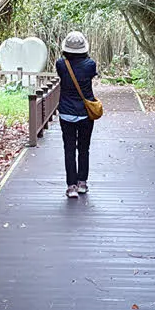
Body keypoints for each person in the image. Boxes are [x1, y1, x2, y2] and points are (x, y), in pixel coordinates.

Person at [55, 31, 98, 199]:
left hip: (66, 112)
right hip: (85, 113)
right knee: (84, 148)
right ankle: (82, 183)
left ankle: (71, 186)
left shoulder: (61, 64)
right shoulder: (90, 64)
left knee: (69, 149)